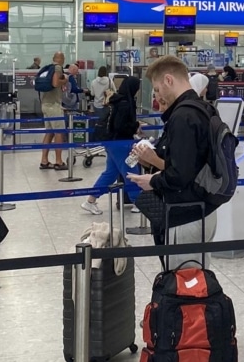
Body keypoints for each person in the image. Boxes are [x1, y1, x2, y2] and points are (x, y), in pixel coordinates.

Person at [126, 56, 219, 269]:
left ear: (169, 80)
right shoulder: (203, 109)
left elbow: (180, 175)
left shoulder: (183, 116)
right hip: (203, 209)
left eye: (157, 89)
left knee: (183, 284)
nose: (157, 97)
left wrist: (152, 181)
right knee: (196, 281)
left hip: (185, 215)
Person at [80, 76, 143, 216]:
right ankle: (138, 202)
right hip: (122, 142)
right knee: (131, 172)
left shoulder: (117, 100)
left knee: (110, 174)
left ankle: (90, 201)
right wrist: (136, 125)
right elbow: (121, 126)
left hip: (112, 142)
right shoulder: (126, 103)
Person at [38, 52, 67, 171]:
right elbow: (55, 83)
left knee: (49, 133)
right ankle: (59, 162)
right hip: (54, 105)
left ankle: (44, 161)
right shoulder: (58, 68)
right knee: (59, 133)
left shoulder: (48, 68)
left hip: (45, 104)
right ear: (61, 59)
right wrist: (64, 80)